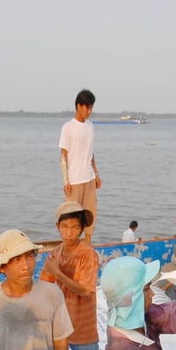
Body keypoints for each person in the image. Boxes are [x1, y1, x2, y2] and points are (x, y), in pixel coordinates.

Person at [41, 201, 102, 350]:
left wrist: (58, 273)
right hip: (57, 326)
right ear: (57, 226)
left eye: (75, 227)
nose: (69, 233)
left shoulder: (87, 254)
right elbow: (45, 288)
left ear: (82, 229)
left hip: (81, 326)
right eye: (65, 227)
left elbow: (85, 291)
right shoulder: (54, 254)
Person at [59, 88, 100, 242]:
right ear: (79, 106)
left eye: (91, 108)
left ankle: (87, 242)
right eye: (87, 107)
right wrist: (66, 181)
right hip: (74, 179)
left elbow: (91, 153)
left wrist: (96, 175)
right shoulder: (68, 127)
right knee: (70, 215)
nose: (89, 111)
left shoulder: (90, 125)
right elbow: (63, 155)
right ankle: (70, 243)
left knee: (90, 212)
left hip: (88, 177)